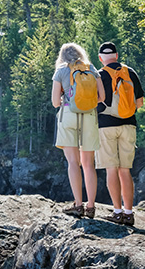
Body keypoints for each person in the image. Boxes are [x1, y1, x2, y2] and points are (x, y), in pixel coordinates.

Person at [52, 43, 105, 219]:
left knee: (73, 163)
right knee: (89, 164)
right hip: (89, 116)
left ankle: (77, 205)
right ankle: (91, 207)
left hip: (68, 114)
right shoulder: (91, 69)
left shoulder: (61, 70)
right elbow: (102, 97)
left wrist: (65, 97)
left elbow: (55, 102)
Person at [95, 42, 144, 226]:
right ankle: (129, 213)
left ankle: (117, 212)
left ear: (101, 58)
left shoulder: (99, 75)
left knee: (111, 169)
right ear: (116, 55)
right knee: (125, 170)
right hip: (129, 125)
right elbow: (139, 103)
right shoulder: (130, 72)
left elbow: (95, 104)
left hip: (106, 125)